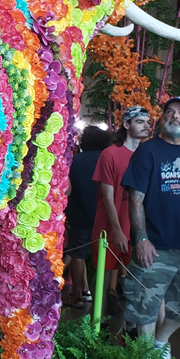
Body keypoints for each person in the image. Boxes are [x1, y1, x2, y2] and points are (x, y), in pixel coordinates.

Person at [121, 96, 180, 359]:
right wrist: (140, 238)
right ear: (162, 119)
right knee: (145, 308)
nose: (175, 116)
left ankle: (160, 343)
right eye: (170, 112)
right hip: (155, 247)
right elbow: (136, 198)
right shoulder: (148, 151)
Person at [92, 107, 150, 318]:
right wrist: (117, 230)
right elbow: (108, 197)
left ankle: (131, 330)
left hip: (137, 230)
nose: (146, 125)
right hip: (110, 228)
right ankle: (98, 326)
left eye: (147, 121)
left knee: (136, 281)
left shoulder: (148, 154)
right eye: (140, 121)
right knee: (104, 277)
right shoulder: (110, 154)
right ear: (126, 125)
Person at [64, 125, 112, 307]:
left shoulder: (75, 161)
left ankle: (78, 295)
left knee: (78, 254)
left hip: (79, 214)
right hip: (105, 216)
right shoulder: (107, 159)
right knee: (106, 256)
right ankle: (103, 296)